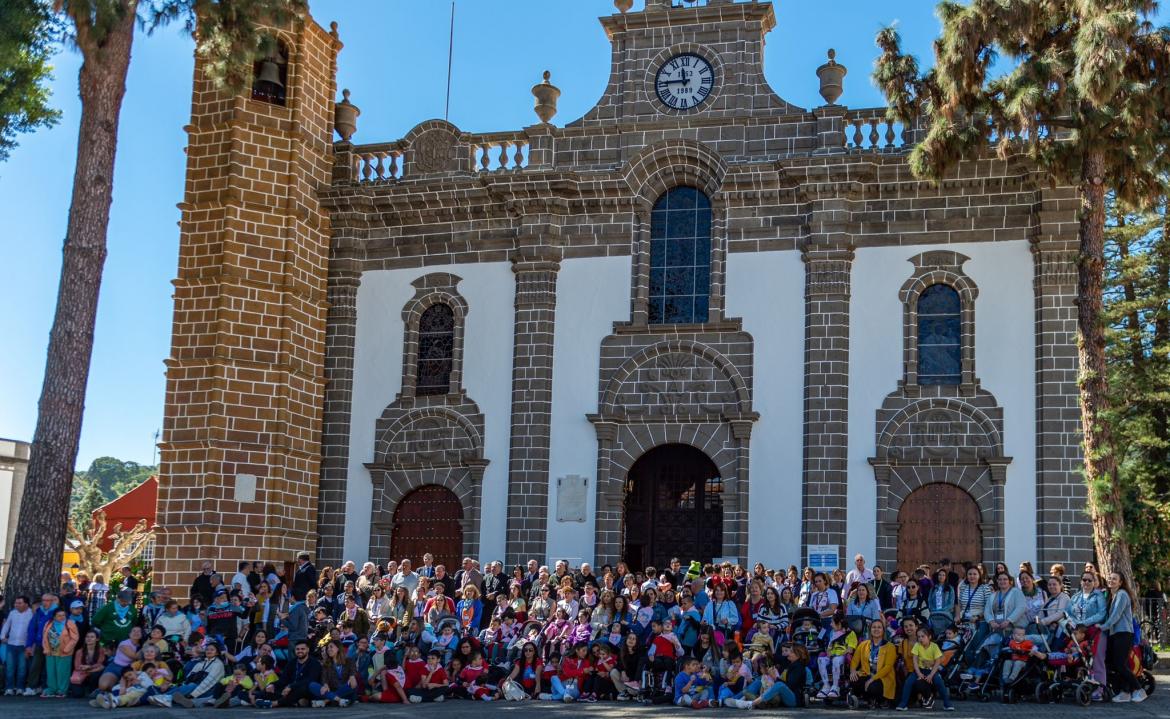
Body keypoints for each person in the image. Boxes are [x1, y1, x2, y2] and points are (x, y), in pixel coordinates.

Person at [1102, 572, 1146, 703]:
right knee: (1121, 664)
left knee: (1120, 664)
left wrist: (1103, 627)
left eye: (1114, 579)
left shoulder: (1122, 594)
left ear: (1121, 582)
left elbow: (1116, 615)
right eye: (1110, 578)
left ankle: (1139, 690)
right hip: (1116, 634)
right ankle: (1125, 692)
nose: (1111, 580)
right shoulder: (1112, 595)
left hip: (1124, 634)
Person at [895, 626, 954, 711]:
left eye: (923, 636)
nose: (920, 638)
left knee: (939, 682)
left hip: (931, 670)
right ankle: (903, 703)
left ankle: (947, 703)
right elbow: (915, 660)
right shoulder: (917, 645)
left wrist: (931, 675)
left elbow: (937, 662)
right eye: (918, 636)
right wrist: (918, 673)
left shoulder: (934, 646)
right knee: (908, 682)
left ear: (929, 637)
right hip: (919, 670)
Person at [849, 618, 896, 708]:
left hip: (882, 677)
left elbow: (888, 667)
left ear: (883, 630)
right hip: (866, 674)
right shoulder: (863, 644)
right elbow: (855, 660)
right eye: (874, 627)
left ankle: (881, 700)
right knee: (853, 680)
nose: (876, 629)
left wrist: (872, 679)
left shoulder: (890, 647)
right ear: (870, 630)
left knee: (873, 687)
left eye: (879, 627)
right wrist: (853, 671)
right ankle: (869, 699)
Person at [40, 606, 79, 697]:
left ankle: (62, 690)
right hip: (50, 651)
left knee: (63, 672)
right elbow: (44, 637)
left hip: (64, 652)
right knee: (51, 671)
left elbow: (75, 638)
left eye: (63, 615)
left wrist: (67, 649)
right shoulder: (48, 623)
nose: (62, 617)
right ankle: (52, 689)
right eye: (59, 615)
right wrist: (46, 649)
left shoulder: (70, 623)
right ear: (54, 616)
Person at [1, 595, 32, 695]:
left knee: (22, 668)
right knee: (9, 667)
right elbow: (7, 625)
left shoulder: (31, 613)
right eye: (16, 603)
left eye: (19, 603)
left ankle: (20, 687)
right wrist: (2, 636)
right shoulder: (12, 613)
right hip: (11, 644)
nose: (16, 605)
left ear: (26, 604)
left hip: (24, 645)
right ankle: (9, 688)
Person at [69, 628, 108, 698]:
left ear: (97, 639)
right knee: (77, 694)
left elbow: (100, 663)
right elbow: (77, 666)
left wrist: (89, 667)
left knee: (97, 673)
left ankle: (93, 690)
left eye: (92, 637)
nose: (89, 639)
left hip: (94, 672)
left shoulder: (101, 650)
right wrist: (87, 668)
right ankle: (83, 687)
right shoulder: (79, 651)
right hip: (81, 673)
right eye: (87, 637)